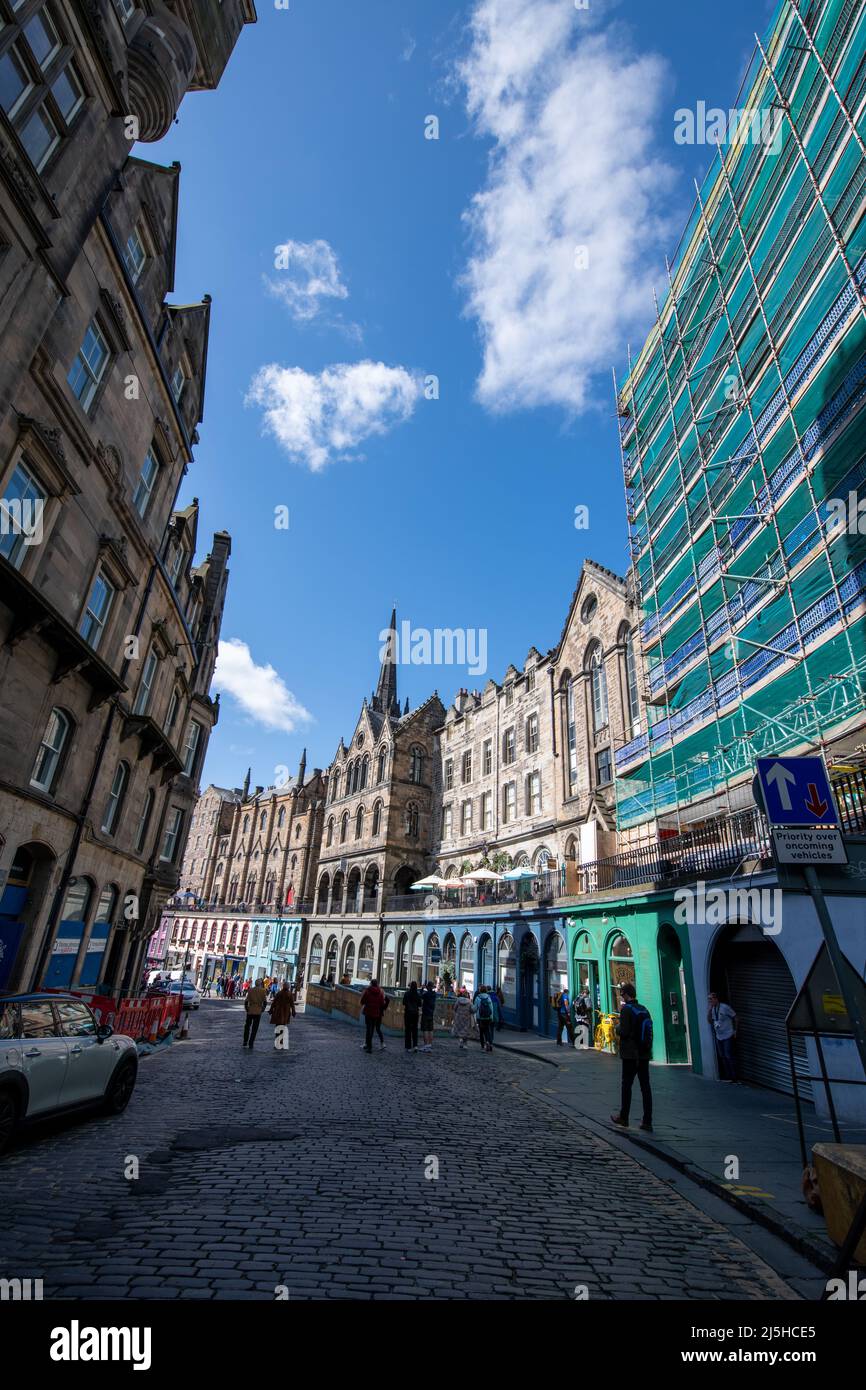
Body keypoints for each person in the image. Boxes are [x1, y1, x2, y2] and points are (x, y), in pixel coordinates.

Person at [610, 982, 653, 1132]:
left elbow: (625, 1031)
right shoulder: (644, 1009)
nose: (621, 997)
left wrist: (617, 1027)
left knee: (626, 1085)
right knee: (645, 1087)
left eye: (622, 994)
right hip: (644, 1054)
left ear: (626, 995)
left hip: (630, 1054)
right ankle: (647, 1121)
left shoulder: (626, 1010)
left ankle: (624, 1117)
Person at [708, 992, 738, 1082]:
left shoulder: (725, 1007)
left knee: (728, 1055)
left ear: (716, 999)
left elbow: (736, 1017)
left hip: (728, 1034)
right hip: (719, 1036)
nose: (710, 1001)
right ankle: (727, 1075)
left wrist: (736, 1030)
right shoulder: (713, 1009)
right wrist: (709, 1011)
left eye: (711, 999)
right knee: (722, 1056)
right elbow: (710, 1021)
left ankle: (734, 1076)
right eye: (709, 999)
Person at [360, 978, 387, 1052]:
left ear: (371, 983)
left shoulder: (367, 991)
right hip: (376, 1013)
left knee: (369, 1029)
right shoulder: (380, 992)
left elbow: (362, 1001)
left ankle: (369, 1046)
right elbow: (382, 1003)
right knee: (372, 1028)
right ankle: (369, 1045)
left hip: (368, 1012)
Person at [243, 977, 269, 1049]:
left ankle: (245, 1041)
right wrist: (263, 1009)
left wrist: (246, 1008)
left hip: (250, 1010)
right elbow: (265, 1002)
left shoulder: (251, 990)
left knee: (247, 1026)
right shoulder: (262, 991)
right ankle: (251, 1043)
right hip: (258, 1011)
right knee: (255, 1028)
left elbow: (246, 1001)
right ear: (260, 984)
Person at [269, 982, 296, 1051]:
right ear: (288, 987)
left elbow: (274, 1002)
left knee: (278, 1027)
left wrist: (271, 1010)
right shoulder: (289, 994)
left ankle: (278, 1043)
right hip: (285, 1013)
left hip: (278, 1012)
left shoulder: (279, 993)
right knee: (282, 1028)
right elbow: (292, 1004)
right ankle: (280, 1042)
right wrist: (293, 1011)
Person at [473, 985, 495, 1052]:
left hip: (480, 1018)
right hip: (488, 1017)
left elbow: (475, 1008)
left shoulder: (478, 998)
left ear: (480, 990)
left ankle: (483, 1047)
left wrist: (473, 1014)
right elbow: (491, 1008)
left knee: (481, 1032)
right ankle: (488, 1043)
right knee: (487, 1031)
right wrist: (491, 1017)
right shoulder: (488, 997)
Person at [402, 980, 421, 1052]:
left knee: (408, 1030)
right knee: (415, 1029)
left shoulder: (407, 994)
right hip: (415, 1013)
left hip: (408, 1013)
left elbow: (403, 1003)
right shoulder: (417, 994)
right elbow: (419, 1004)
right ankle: (415, 1045)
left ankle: (408, 1046)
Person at [419, 980, 438, 1051]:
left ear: (428, 987)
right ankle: (430, 1044)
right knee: (431, 1029)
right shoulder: (434, 994)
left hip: (426, 1013)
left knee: (425, 1029)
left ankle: (426, 1045)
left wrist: (422, 988)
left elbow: (420, 996)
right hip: (431, 1013)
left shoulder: (426, 994)